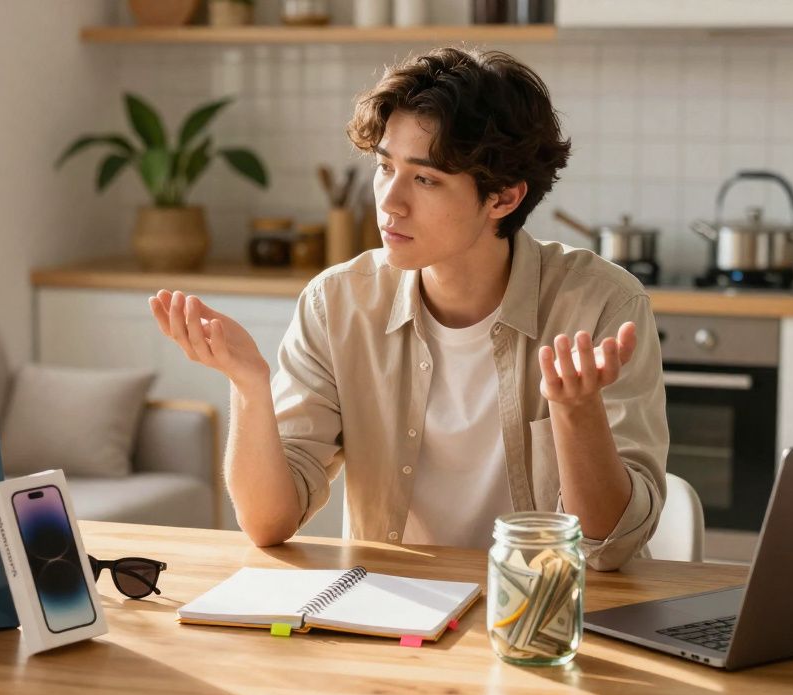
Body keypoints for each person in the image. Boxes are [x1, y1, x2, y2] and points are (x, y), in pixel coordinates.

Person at [148, 47, 668, 570]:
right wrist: (249, 386)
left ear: (504, 198)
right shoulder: (338, 303)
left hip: (544, 606)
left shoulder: (602, 306)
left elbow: (611, 547)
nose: (389, 202)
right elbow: (268, 522)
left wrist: (577, 412)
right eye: (384, 167)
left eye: (425, 179)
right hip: (395, 605)